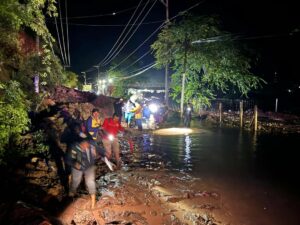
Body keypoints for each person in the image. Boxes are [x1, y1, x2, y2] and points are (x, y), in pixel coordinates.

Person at [68, 134, 104, 209]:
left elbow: (100, 149)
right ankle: (71, 194)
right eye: (82, 144)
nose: (84, 146)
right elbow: (68, 159)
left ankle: (93, 203)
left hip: (89, 166)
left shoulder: (92, 145)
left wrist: (105, 153)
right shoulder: (74, 147)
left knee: (90, 182)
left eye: (86, 143)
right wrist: (75, 163)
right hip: (77, 168)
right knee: (76, 181)